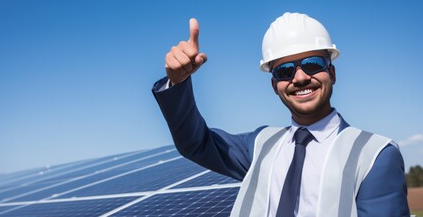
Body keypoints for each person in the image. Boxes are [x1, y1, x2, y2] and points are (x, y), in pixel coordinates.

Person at [152, 12, 410, 216]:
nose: (300, 78)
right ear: (275, 86)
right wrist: (178, 82)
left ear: (331, 73)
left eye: (312, 64)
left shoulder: (375, 155)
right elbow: (195, 143)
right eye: (285, 71)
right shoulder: (260, 145)